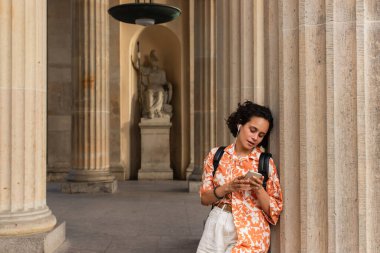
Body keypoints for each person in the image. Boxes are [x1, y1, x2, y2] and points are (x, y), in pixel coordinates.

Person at [197, 101, 283, 253]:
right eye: (252, 130)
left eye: (261, 135)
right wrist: (228, 187)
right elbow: (204, 198)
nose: (255, 137)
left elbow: (274, 210)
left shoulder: (265, 162)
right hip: (216, 223)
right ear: (240, 124)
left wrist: (258, 188)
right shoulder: (216, 155)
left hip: (251, 229)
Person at [133, 49, 172, 119]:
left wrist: (169, 85)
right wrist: (138, 57)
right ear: (151, 60)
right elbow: (137, 66)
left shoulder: (162, 72)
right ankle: (150, 112)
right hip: (150, 87)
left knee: (160, 94)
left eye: (155, 60)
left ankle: (157, 111)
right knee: (149, 94)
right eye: (153, 59)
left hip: (159, 88)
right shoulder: (148, 70)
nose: (154, 61)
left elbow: (165, 82)